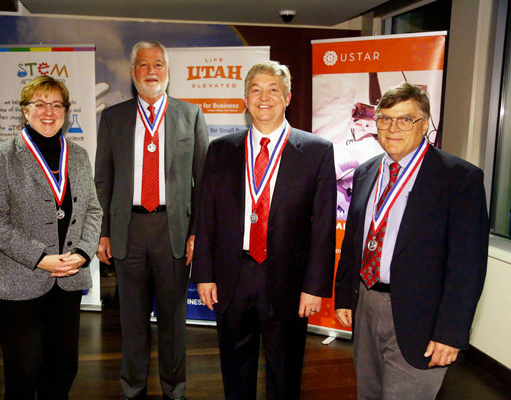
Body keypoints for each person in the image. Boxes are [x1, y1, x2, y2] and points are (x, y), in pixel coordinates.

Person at [192, 61, 337, 399]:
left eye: (273, 89)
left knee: (285, 377)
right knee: (235, 373)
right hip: (232, 277)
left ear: (287, 97)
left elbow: (325, 226)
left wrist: (315, 287)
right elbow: (206, 216)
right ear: (245, 99)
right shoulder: (222, 149)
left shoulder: (317, 151)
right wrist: (204, 274)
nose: (264, 97)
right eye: (256, 89)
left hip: (288, 280)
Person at [334, 82, 488, 400]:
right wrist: (344, 297)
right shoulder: (365, 172)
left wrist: (451, 333)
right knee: (369, 394)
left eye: (405, 119)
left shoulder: (459, 179)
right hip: (365, 304)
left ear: (425, 124)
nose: (393, 128)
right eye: (385, 119)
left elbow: (467, 267)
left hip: (421, 318)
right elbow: (353, 242)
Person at [94, 41, 208, 400]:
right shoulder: (114, 118)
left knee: (174, 320)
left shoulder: (190, 115)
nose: (151, 71)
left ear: (168, 72)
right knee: (132, 320)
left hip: (172, 231)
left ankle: (175, 391)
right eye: (143, 65)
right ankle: (133, 390)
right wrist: (103, 233)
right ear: (132, 73)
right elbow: (103, 180)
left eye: (158, 64)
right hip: (128, 229)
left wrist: (196, 234)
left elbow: (203, 182)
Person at [0, 75, 103, 399]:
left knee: (63, 368)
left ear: (65, 111)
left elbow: (93, 211)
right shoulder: (2, 155)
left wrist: (83, 253)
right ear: (25, 110)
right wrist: (40, 258)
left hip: (68, 280)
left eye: (56, 104)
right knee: (23, 373)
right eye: (40, 104)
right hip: (20, 282)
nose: (48, 111)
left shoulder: (78, 156)